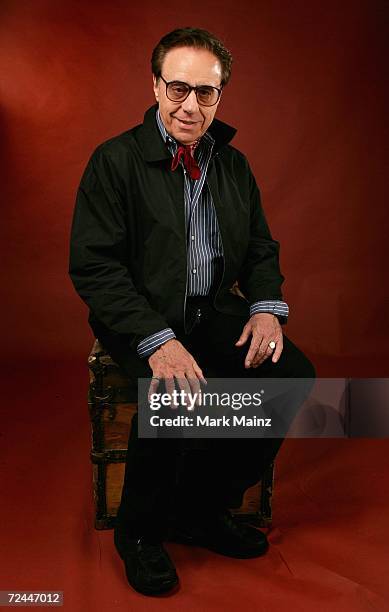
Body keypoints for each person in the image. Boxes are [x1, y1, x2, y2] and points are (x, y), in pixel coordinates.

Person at [69, 27, 315, 596]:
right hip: (139, 316)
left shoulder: (234, 165)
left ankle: (203, 510)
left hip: (209, 309)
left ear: (220, 96)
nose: (190, 105)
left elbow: (259, 248)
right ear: (155, 86)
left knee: (293, 375)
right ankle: (139, 535)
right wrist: (157, 339)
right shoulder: (114, 161)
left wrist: (265, 309)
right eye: (178, 88)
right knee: (174, 395)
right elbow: (95, 267)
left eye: (206, 92)